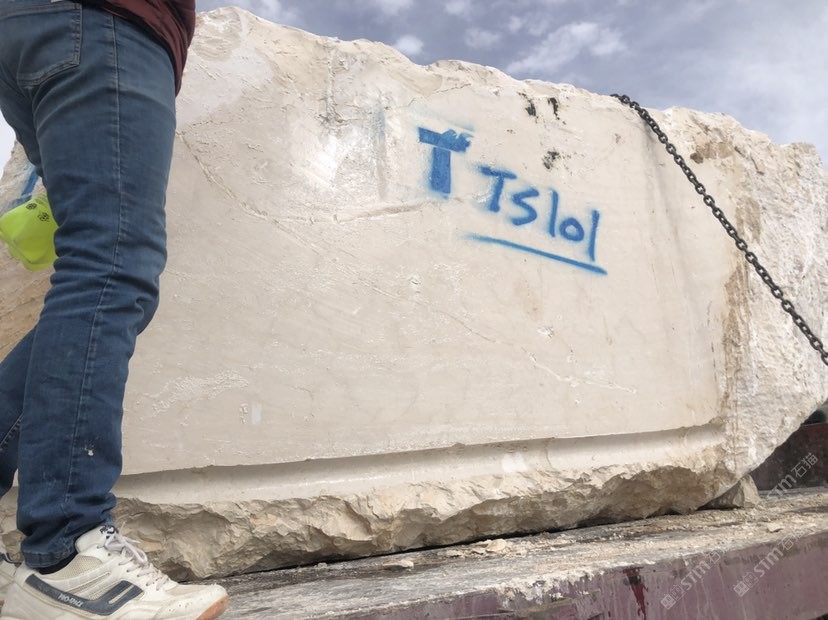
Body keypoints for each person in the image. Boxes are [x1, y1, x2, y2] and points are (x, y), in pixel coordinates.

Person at [0, 0, 229, 617]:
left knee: (101, 263)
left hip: (39, 28)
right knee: (111, 261)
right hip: (105, 23)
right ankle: (68, 557)